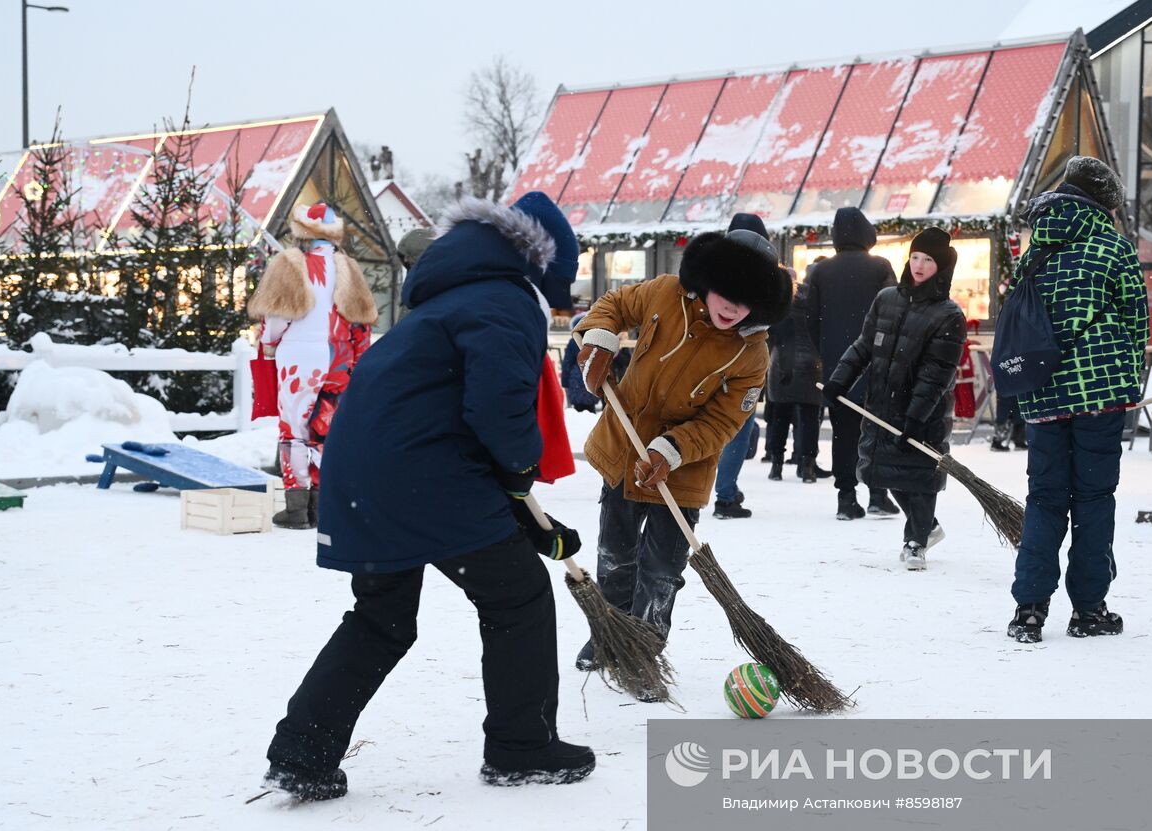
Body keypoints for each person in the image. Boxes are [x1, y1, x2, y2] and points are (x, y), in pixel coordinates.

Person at [262, 192, 595, 799]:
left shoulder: (450, 300)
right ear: (543, 271)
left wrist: (524, 513)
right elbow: (496, 410)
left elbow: (454, 415)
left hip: (366, 472)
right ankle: (522, 747)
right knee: (516, 595)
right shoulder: (507, 302)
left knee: (381, 617)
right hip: (422, 475)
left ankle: (302, 752)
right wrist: (519, 473)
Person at [572, 226, 792, 674]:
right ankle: (609, 633)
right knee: (616, 556)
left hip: (682, 470)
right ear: (707, 281)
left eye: (746, 299)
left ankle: (645, 647)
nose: (732, 306)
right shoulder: (665, 293)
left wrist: (671, 450)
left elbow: (724, 420)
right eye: (726, 292)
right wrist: (599, 338)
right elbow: (613, 305)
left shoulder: (752, 353)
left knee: (661, 569)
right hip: (624, 447)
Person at [1005, 156, 1148, 644]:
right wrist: (1129, 383)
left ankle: (1029, 609)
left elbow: (1018, 317)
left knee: (1044, 498)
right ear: (1103, 202)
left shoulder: (1035, 249)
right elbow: (1135, 322)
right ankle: (1089, 610)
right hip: (1099, 396)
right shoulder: (1113, 247)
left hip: (1042, 394)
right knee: (1093, 499)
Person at [823, 227, 966, 572]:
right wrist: (840, 379)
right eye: (915, 256)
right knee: (877, 470)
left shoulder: (949, 315)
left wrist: (917, 416)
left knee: (918, 475)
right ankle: (928, 526)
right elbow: (864, 345)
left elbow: (936, 373)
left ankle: (916, 540)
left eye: (928, 260)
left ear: (941, 268)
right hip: (881, 403)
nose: (918, 265)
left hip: (923, 410)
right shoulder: (887, 298)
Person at [248, 203, 377, 530]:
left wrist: (268, 343)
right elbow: (361, 325)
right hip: (338, 358)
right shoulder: (348, 267)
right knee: (325, 429)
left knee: (294, 429)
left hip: (298, 359)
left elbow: (275, 320)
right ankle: (320, 506)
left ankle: (296, 508)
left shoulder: (289, 264)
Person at [805, 208, 900, 520]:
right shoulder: (880, 267)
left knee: (842, 432)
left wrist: (830, 352)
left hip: (836, 367)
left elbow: (811, 320)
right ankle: (877, 493)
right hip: (875, 363)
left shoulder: (820, 272)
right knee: (877, 429)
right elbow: (895, 312)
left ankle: (846, 497)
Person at [712, 213, 776, 520]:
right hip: (742, 362)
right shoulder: (763, 275)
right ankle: (725, 496)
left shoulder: (713, 269)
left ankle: (688, 490)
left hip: (706, 360)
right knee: (738, 427)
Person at [765, 266, 825, 483]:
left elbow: (771, 335)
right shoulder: (818, 303)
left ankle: (776, 464)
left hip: (782, 364)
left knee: (780, 417)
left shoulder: (781, 303)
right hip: (813, 366)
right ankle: (807, 466)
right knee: (810, 419)